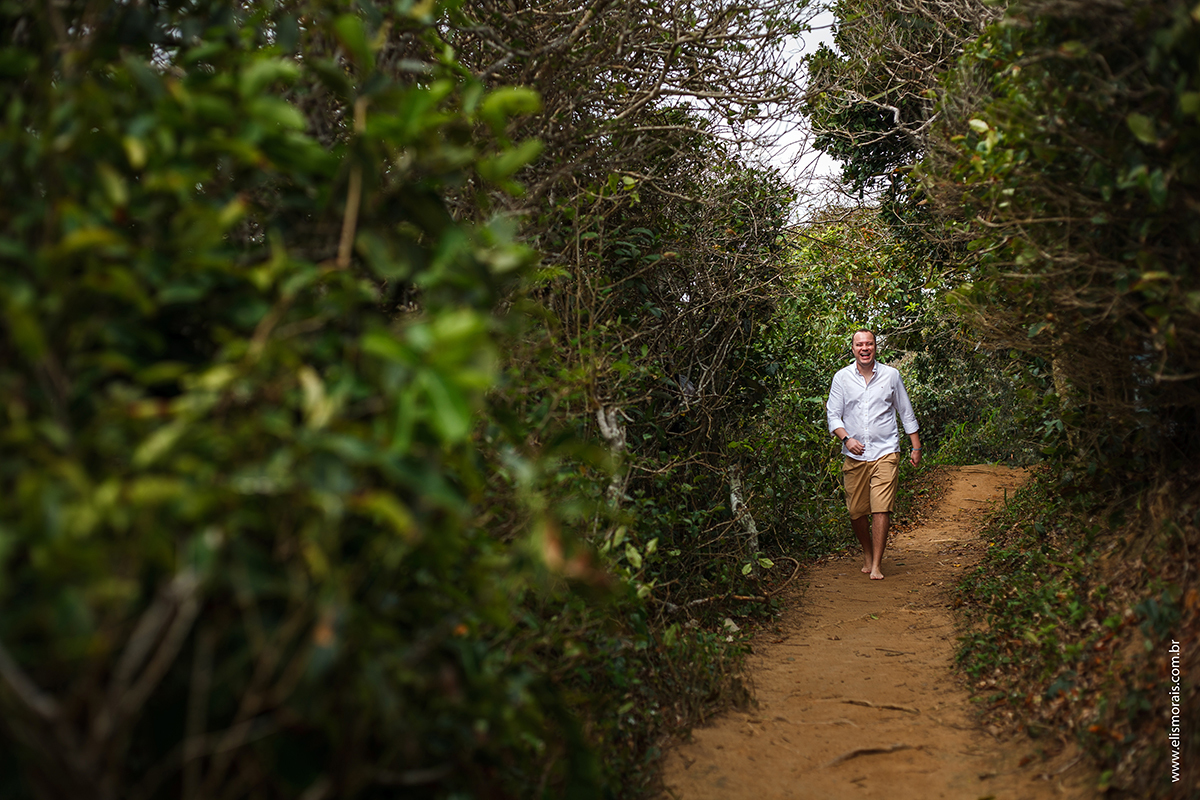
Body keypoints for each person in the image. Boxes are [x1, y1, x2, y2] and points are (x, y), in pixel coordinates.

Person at [825, 329, 921, 580]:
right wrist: (846, 438)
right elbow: (833, 415)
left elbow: (905, 411)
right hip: (854, 455)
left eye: (869, 344)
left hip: (886, 451)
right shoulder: (842, 378)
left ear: (876, 347)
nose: (864, 348)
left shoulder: (891, 375)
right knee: (856, 510)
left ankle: (877, 563)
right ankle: (867, 552)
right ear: (853, 348)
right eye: (860, 344)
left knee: (881, 508)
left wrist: (916, 446)